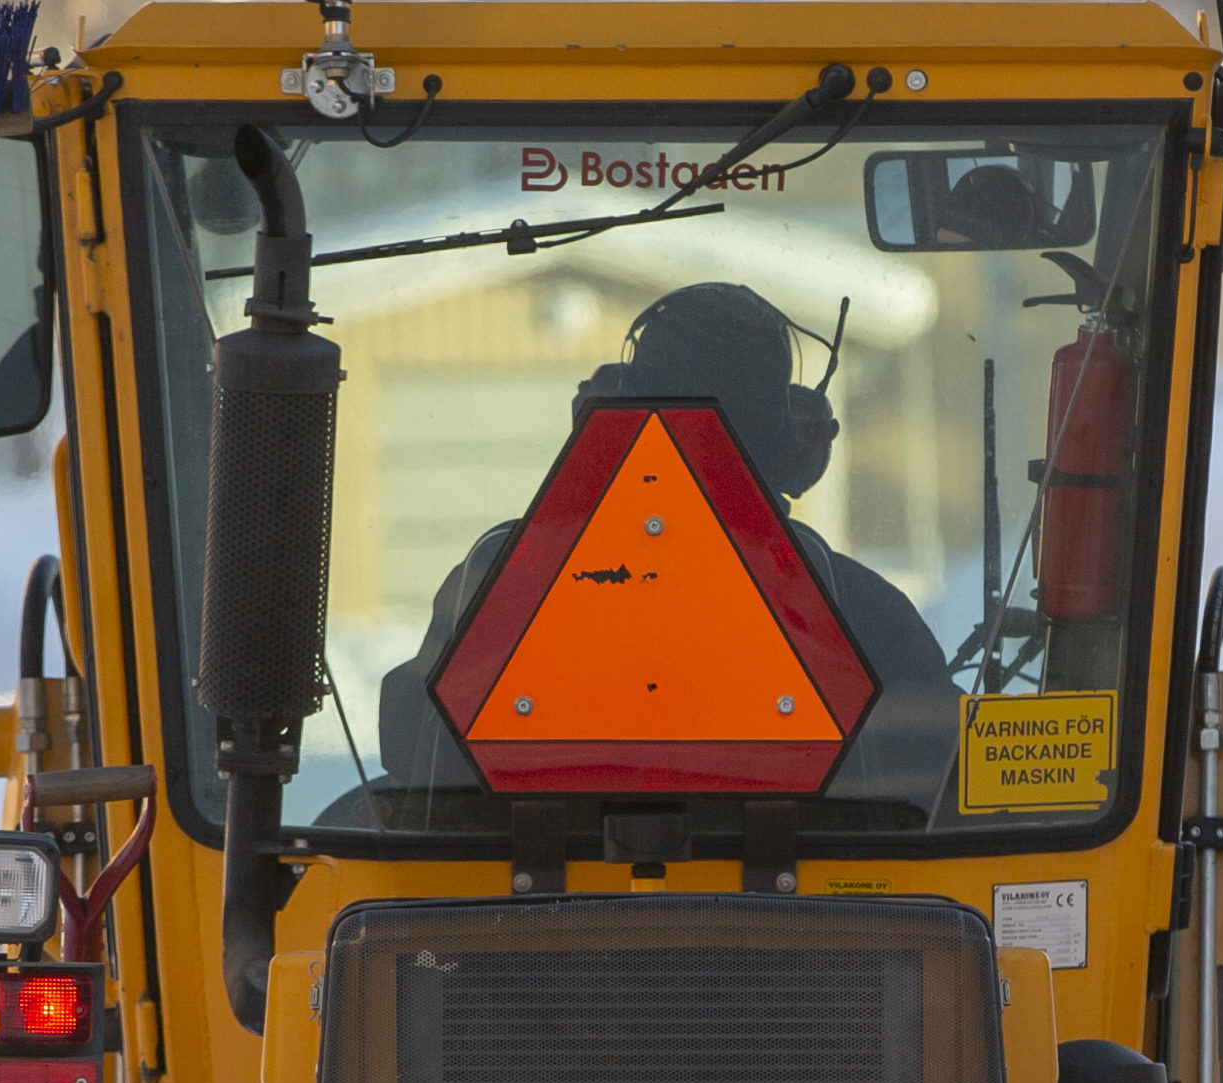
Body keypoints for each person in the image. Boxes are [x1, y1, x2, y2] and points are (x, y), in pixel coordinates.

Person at [375, 281, 959, 809]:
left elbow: (414, 750)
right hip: (807, 923)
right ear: (791, 436)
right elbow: (930, 779)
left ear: (611, 406)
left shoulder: (499, 574)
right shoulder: (856, 606)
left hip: (520, 920)